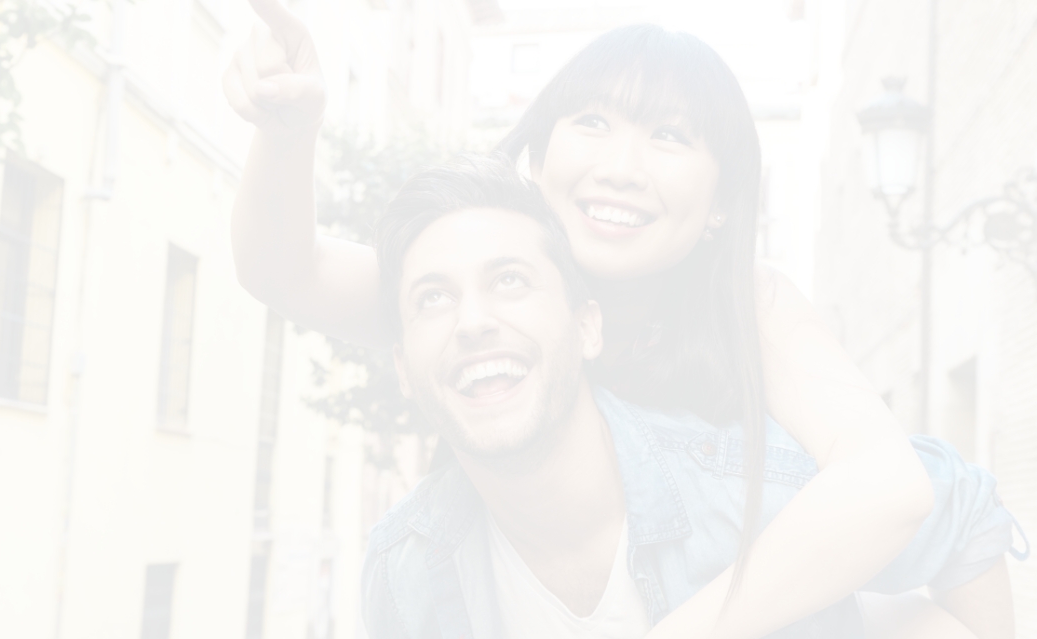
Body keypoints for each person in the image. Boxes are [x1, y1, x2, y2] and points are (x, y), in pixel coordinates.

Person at [222, 3, 1022, 636]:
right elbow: (285, 270)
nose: (620, 168)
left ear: (720, 204)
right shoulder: (489, 294)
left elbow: (901, 486)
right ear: (539, 154)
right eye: (592, 123)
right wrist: (287, 136)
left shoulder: (748, 303)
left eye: (669, 136)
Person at [363, 154, 1018, 638]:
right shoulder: (405, 564)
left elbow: (959, 509)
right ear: (402, 367)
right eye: (433, 297)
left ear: (588, 325)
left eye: (509, 281)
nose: (471, 320)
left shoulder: (741, 485)